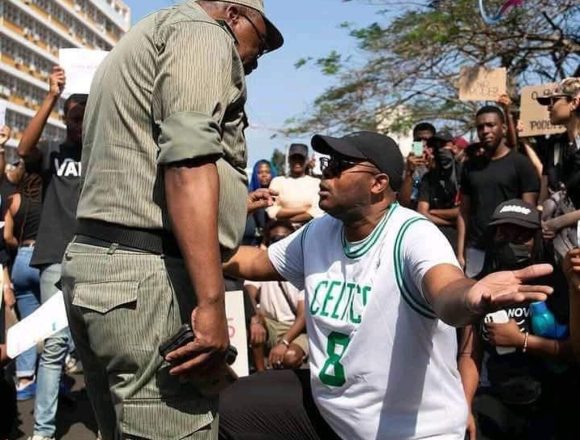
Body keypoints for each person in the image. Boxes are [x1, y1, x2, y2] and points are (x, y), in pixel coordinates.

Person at [219, 131, 553, 440]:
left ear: (378, 183)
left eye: (339, 166)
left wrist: (471, 296)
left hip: (410, 430)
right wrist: (197, 238)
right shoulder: (320, 231)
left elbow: (445, 289)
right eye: (326, 164)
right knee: (231, 407)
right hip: (337, 414)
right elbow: (251, 262)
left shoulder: (411, 234)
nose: (326, 174)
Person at [61, 1, 283, 439]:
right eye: (259, 45)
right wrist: (212, 303)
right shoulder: (203, 35)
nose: (254, 63)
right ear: (235, 16)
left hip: (103, 268)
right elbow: (188, 161)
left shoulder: (141, 39)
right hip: (148, 276)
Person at [459, 199, 576, 440]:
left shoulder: (557, 283)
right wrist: (465, 407)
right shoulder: (481, 286)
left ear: (537, 239)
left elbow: (574, 351)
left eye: (521, 235)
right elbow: (469, 354)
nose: (512, 241)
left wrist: (520, 340)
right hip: (495, 399)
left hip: (548, 401)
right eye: (504, 233)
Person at [16, 61, 87, 440]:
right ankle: (42, 432)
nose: (79, 125)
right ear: (64, 119)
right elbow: (24, 148)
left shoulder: (104, 153)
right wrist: (50, 95)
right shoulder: (53, 152)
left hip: (95, 259)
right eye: (74, 118)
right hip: (57, 260)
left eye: (85, 118)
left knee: (98, 345)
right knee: (55, 346)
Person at [457, 106, 540, 277]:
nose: (485, 131)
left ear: (503, 128)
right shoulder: (470, 167)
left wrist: (524, 248)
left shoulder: (521, 164)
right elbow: (463, 212)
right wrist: (460, 252)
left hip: (511, 249)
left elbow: (528, 212)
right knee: (477, 299)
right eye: (480, 127)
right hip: (476, 249)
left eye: (490, 125)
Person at [4, 158, 43, 401]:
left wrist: (21, 248)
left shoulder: (15, 200)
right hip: (45, 258)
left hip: (21, 259)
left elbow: (7, 235)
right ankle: (60, 368)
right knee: (56, 318)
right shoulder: (48, 200)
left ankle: (25, 377)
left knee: (27, 323)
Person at [245, 220, 307, 372]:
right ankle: (261, 375)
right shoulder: (262, 264)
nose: (280, 243)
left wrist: (284, 343)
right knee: (253, 326)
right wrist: (255, 319)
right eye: (275, 239)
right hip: (270, 323)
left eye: (285, 238)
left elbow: (302, 316)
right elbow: (249, 292)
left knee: (290, 357)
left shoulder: (303, 267)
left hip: (295, 328)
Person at [536, 78, 580, 259]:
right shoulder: (555, 145)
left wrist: (559, 222)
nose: (548, 107)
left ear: (574, 102)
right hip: (557, 246)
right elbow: (543, 195)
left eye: (553, 101)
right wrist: (544, 220)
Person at [417, 131, 460, 251]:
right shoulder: (428, 178)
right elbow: (422, 213)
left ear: (454, 147)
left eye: (443, 145)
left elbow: (462, 211)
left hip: (462, 242)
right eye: (436, 146)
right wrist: (451, 223)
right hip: (435, 240)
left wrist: (433, 211)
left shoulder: (465, 173)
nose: (440, 150)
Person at [266, 143, 323, 227]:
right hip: (281, 230)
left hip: (309, 228)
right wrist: (303, 209)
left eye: (301, 158)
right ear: (288, 160)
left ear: (307, 160)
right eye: (294, 158)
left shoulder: (316, 183)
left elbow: (316, 212)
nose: (297, 161)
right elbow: (272, 211)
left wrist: (287, 218)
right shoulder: (278, 181)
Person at [243, 159, 276, 246]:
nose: (264, 175)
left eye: (267, 172)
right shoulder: (248, 196)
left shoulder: (278, 194)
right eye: (260, 172)